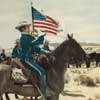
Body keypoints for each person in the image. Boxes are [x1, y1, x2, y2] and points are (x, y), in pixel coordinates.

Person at [15, 21, 47, 99]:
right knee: (41, 71)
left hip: (30, 58)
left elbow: (35, 48)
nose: (29, 28)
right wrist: (41, 35)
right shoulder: (24, 38)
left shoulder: (29, 37)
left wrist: (45, 51)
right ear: (23, 28)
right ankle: (43, 92)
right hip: (26, 59)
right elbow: (35, 43)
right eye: (28, 27)